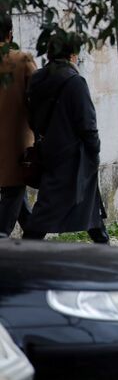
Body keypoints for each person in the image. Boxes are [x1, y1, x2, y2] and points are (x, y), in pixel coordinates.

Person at [23, 30, 108, 243]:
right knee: (54, 210)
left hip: (49, 152)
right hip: (74, 157)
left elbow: (31, 116)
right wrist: (94, 151)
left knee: (73, 205)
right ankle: (27, 247)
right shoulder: (75, 82)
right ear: (72, 55)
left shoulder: (37, 79)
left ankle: (103, 243)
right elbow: (87, 124)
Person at [0, 13, 35, 235]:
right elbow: (40, 96)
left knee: (16, 195)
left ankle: (35, 237)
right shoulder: (21, 60)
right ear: (10, 34)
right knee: (14, 189)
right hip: (16, 142)